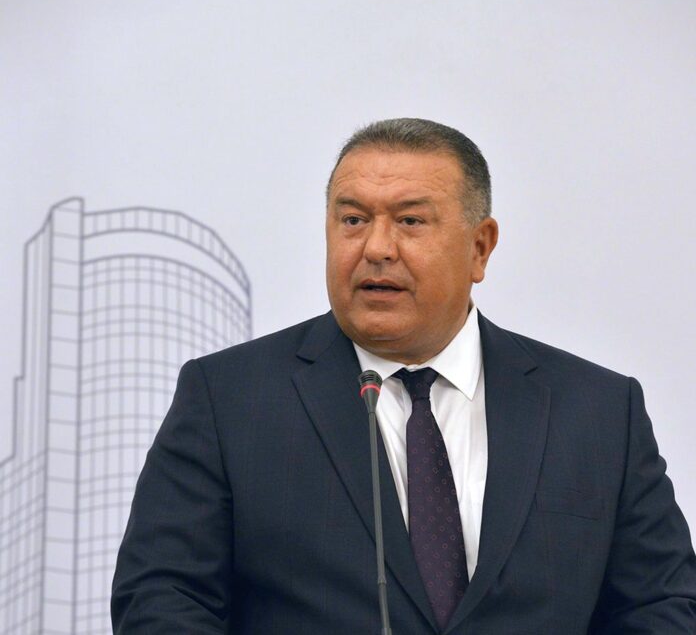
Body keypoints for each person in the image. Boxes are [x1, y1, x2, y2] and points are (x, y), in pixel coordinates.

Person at [111, 118, 696, 633]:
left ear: (480, 248)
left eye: (410, 220)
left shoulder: (597, 410)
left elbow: (662, 604)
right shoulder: (230, 399)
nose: (376, 248)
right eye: (353, 219)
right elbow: (162, 600)